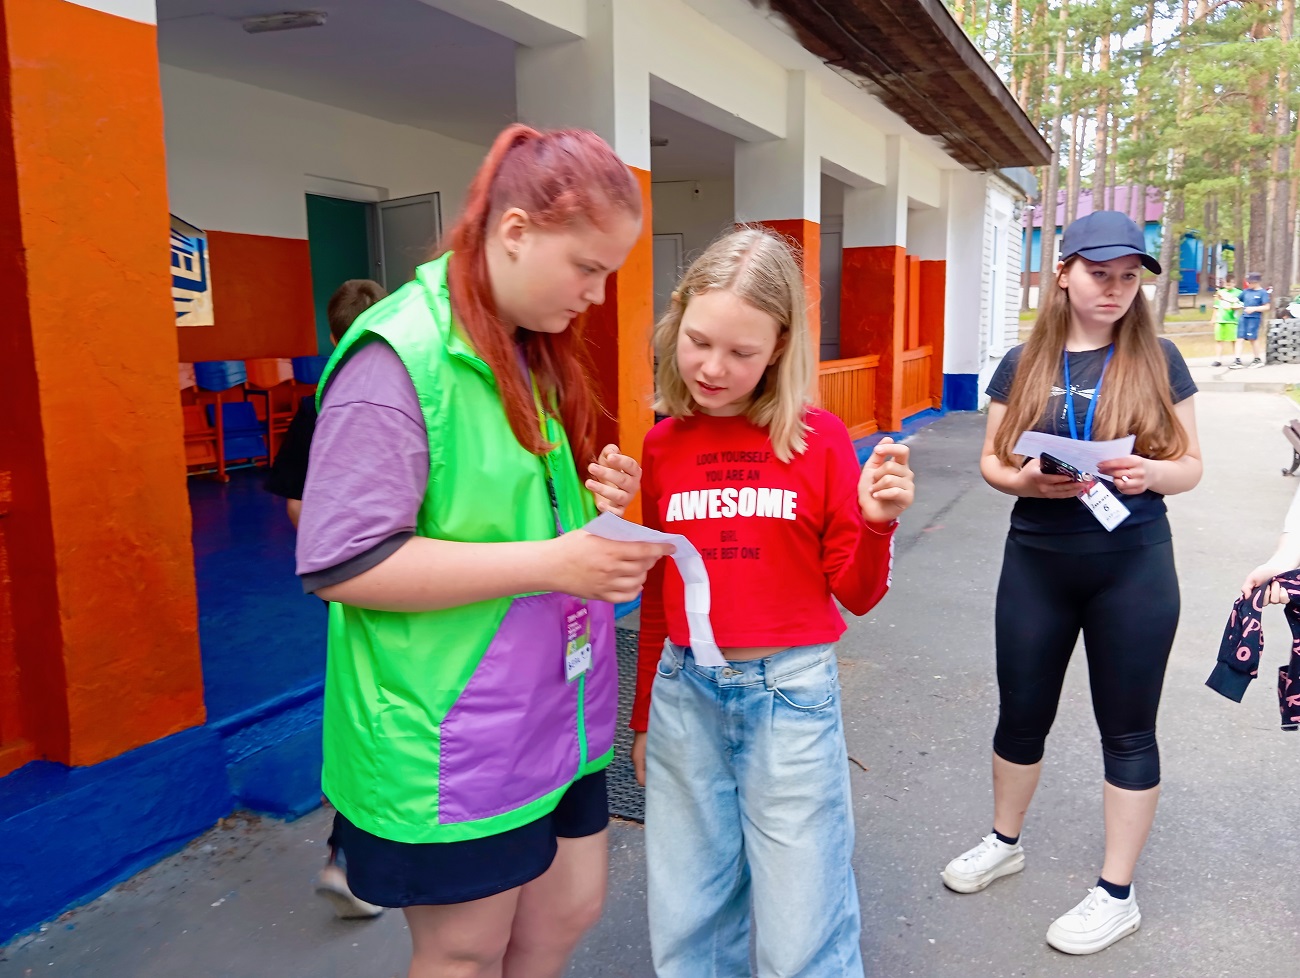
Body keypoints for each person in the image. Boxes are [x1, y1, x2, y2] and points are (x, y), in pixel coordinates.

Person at [294, 124, 673, 978]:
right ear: (514, 232)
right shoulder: (401, 357)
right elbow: (343, 563)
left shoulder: (525, 346)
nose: (598, 295)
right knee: (463, 950)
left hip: (555, 707)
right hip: (453, 728)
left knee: (567, 912)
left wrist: (592, 505)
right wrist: (554, 563)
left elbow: (499, 510)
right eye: (588, 268)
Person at [628, 226, 916, 978]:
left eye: (741, 352)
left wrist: (877, 525)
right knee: (688, 922)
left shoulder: (818, 439)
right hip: (683, 695)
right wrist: (642, 715)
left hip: (789, 696)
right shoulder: (662, 444)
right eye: (699, 341)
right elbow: (662, 590)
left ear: (781, 347)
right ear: (677, 319)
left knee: (802, 931)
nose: (712, 368)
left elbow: (856, 593)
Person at [940, 210, 1202, 955]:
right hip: (1037, 562)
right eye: (1099, 273)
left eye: (1128, 277)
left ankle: (1116, 894)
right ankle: (1004, 842)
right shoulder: (1022, 361)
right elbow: (992, 461)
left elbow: (1190, 465)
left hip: (1134, 566)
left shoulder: (1160, 358)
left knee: (1129, 728)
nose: (1114, 289)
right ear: (1064, 273)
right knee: (1021, 715)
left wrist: (1150, 473)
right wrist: (1025, 482)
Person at [263, 279, 388, 919]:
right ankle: (353, 855)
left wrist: (333, 552)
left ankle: (351, 853)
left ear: (331, 336)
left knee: (364, 711)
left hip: (354, 586)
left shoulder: (320, 402)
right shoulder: (390, 396)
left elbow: (295, 504)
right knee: (382, 717)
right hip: (389, 587)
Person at [265, 278, 387, 528]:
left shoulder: (315, 408)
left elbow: (297, 503)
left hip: (343, 539)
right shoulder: (423, 397)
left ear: (333, 340)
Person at [1230, 271, 1269, 369]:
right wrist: (1229, 301)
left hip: (1254, 318)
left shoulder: (1262, 293)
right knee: (1239, 338)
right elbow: (1236, 300)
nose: (1248, 284)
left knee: (1253, 339)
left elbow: (1266, 307)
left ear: (1256, 282)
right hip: (1243, 317)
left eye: (1250, 282)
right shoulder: (1246, 292)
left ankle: (1257, 359)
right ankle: (1237, 360)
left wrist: (1254, 309)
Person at [1210, 276, 1242, 368]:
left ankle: (1237, 358)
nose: (1228, 286)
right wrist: (1213, 318)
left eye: (1230, 284)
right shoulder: (1220, 292)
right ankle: (1218, 359)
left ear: (1234, 283)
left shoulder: (1239, 293)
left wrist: (1234, 307)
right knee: (1219, 340)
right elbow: (1216, 306)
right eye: (1226, 284)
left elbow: (1240, 305)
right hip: (1220, 319)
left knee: (1234, 340)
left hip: (1232, 320)